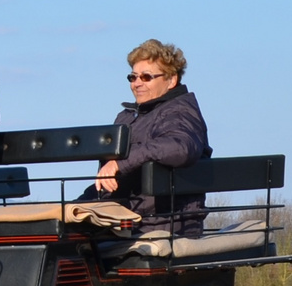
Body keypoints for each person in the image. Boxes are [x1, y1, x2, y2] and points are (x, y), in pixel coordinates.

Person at [90, 39, 212, 236]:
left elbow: (181, 147)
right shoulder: (128, 116)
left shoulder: (179, 111)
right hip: (126, 213)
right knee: (56, 221)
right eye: (133, 77)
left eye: (146, 77)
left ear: (171, 80)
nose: (137, 83)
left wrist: (121, 163)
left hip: (162, 220)